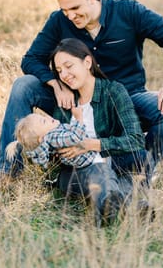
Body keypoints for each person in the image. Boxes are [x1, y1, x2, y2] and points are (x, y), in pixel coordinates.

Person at [0, 0, 163, 194]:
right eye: (64, 10)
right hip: (74, 101)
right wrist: (56, 84)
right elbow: (31, 59)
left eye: (75, 8)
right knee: (23, 86)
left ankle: (138, 173)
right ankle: (8, 174)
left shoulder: (127, 11)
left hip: (126, 98)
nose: (70, 16)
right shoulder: (59, 21)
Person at [53, 38, 150, 226]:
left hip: (114, 163)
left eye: (68, 66)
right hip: (75, 172)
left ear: (87, 62)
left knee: (136, 161)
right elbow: (54, 140)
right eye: (59, 71)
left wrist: (90, 145)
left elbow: (135, 139)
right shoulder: (65, 100)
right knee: (99, 170)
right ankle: (130, 207)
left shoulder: (113, 91)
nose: (64, 74)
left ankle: (111, 208)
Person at [5, 108, 98, 169]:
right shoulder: (53, 137)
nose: (49, 118)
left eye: (44, 117)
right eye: (44, 121)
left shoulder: (53, 133)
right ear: (41, 138)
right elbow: (75, 137)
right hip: (92, 159)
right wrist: (79, 118)